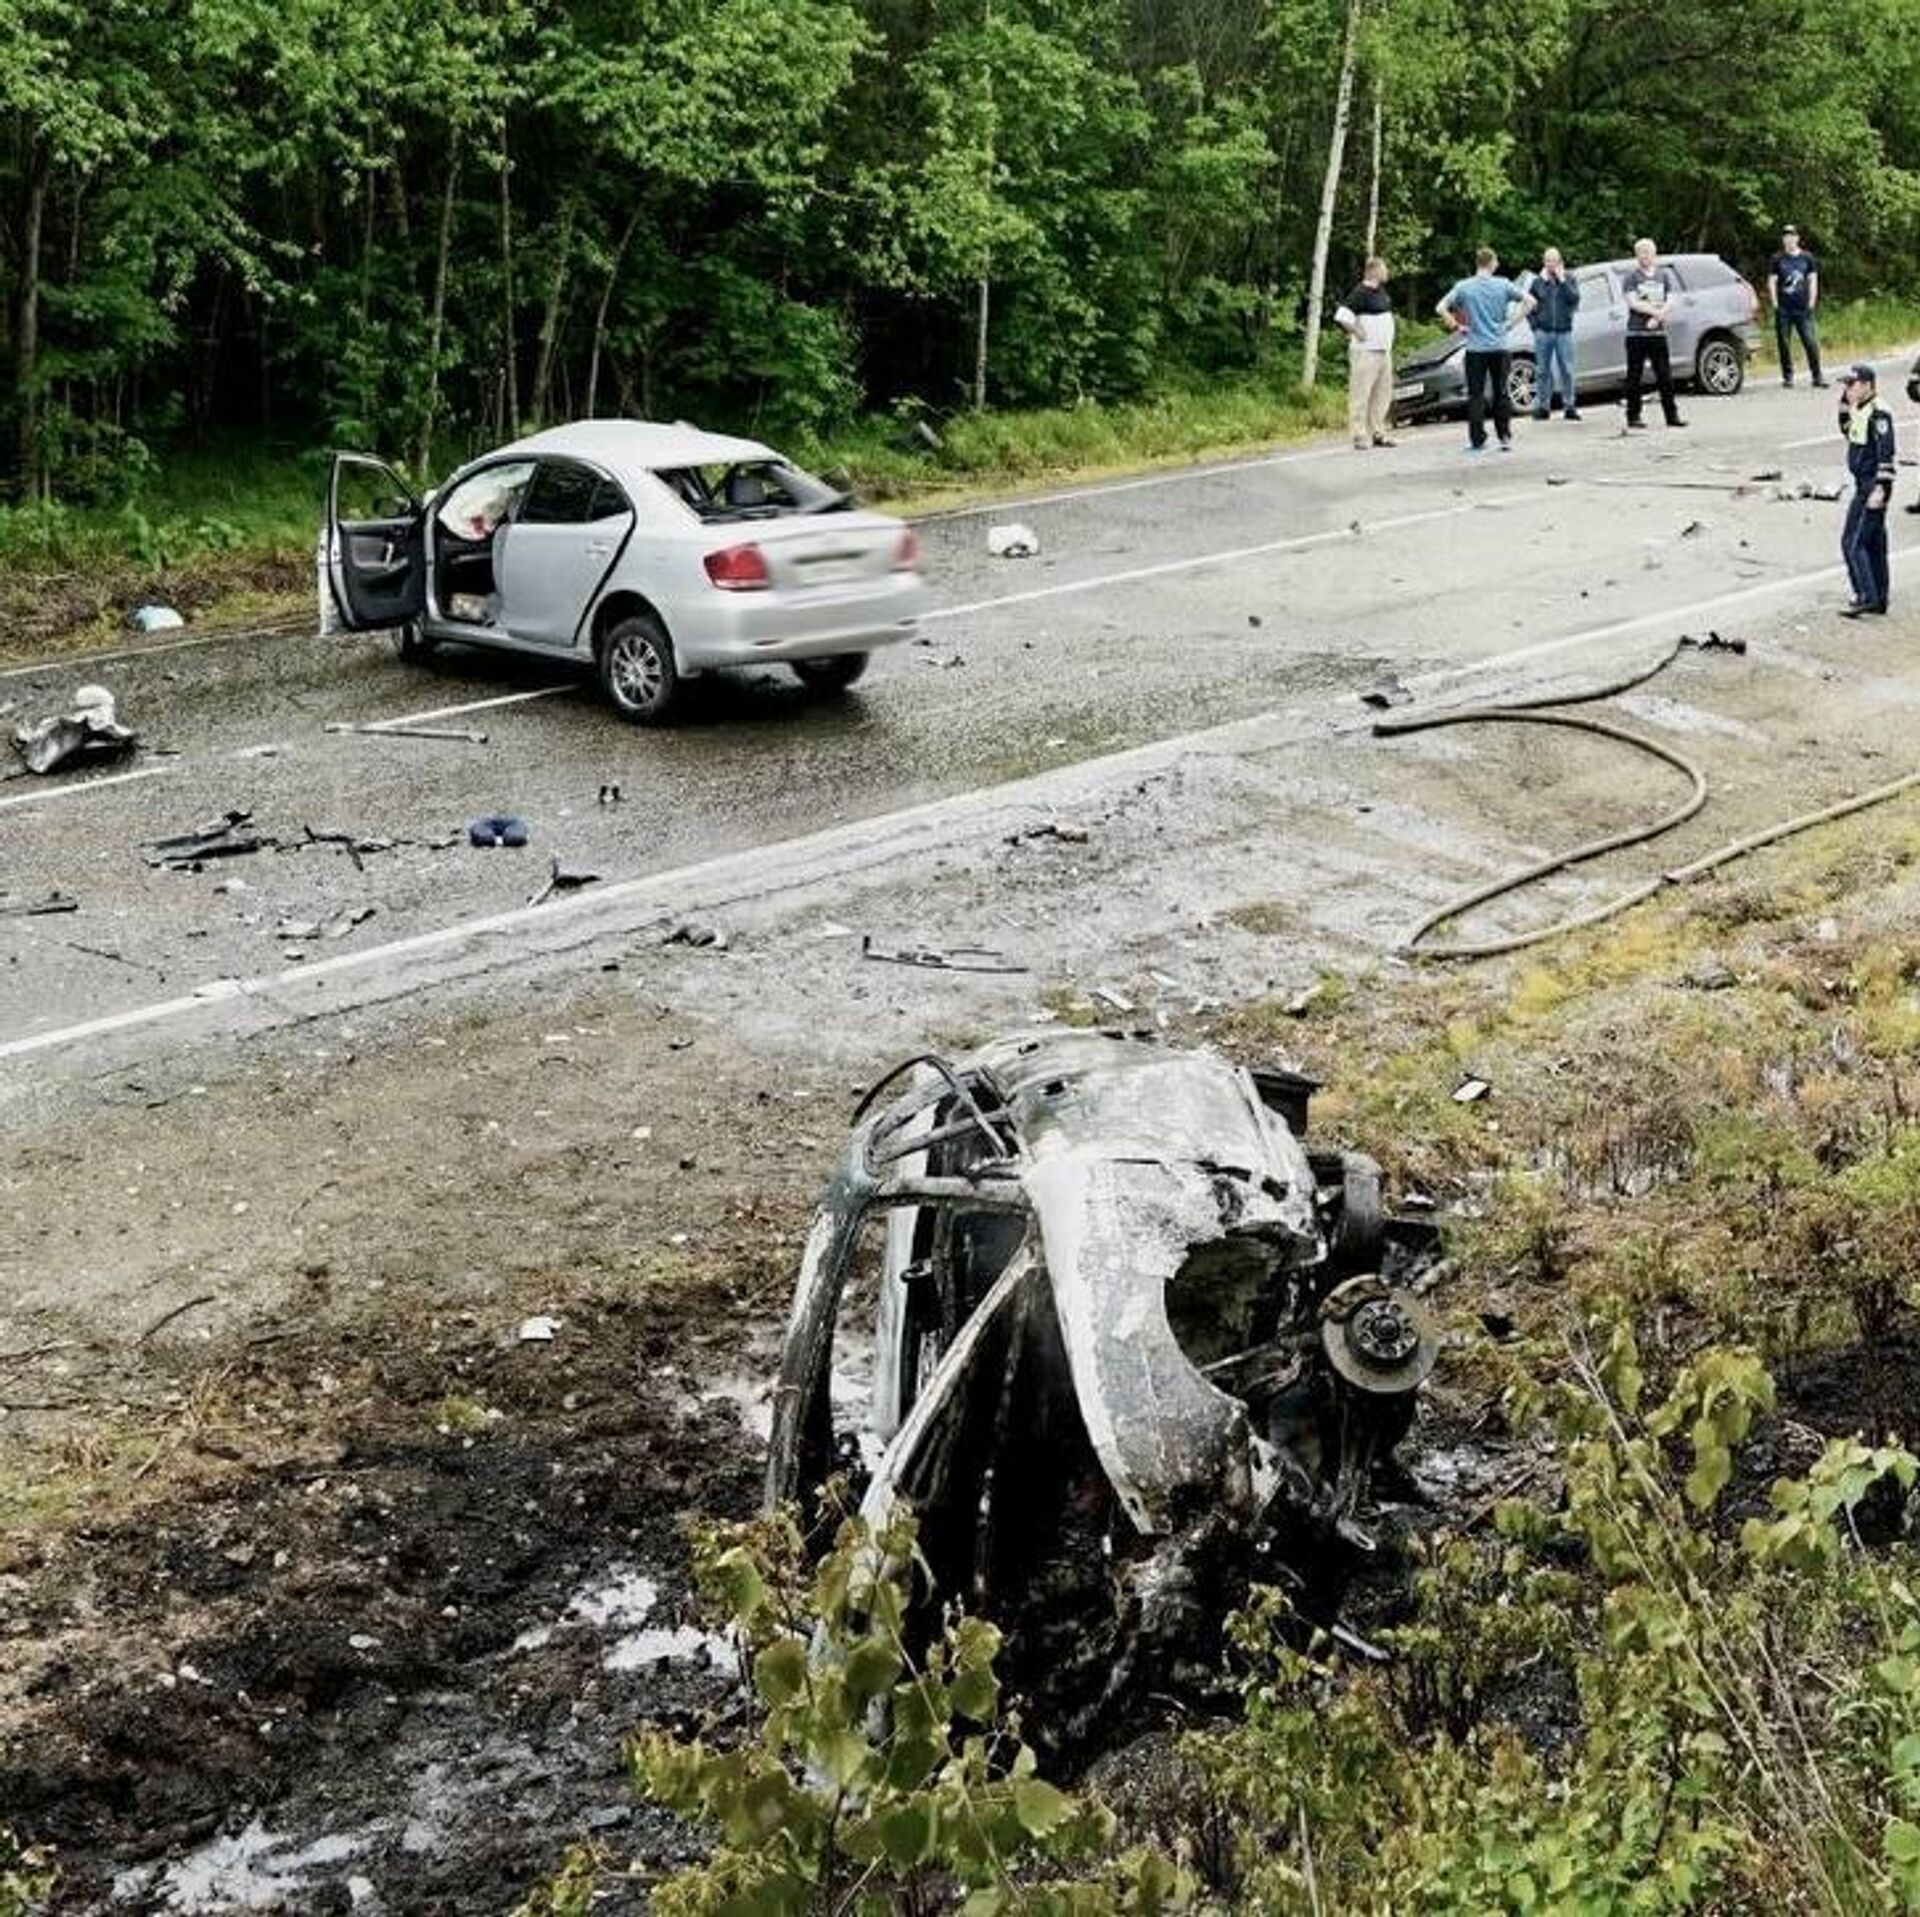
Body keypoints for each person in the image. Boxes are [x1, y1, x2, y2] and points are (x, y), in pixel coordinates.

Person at [1436, 248, 1535, 454]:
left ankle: (1477, 439)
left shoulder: (1464, 287)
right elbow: (1531, 301)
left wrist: (1457, 326)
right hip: (1499, 347)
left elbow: (1440, 307)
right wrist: (1510, 324)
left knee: (1476, 396)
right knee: (1501, 393)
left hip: (1475, 348)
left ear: (1477, 263)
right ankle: (1504, 436)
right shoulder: (1503, 284)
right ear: (1492, 263)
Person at [1837, 362, 1894, 616]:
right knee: (1873, 543)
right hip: (1864, 483)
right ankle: (1879, 597)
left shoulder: (1879, 412)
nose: (1848, 389)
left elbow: (1885, 452)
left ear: (1868, 386)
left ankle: (1866, 595)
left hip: (1873, 485)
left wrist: (1880, 488)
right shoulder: (1860, 409)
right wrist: (1843, 405)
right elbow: (1850, 432)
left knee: (1854, 541)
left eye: (1853, 385)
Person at [1622, 238, 1686, 430]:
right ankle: (1633, 416)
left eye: (1648, 252)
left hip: (1657, 333)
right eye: (1641, 252)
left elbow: (1672, 300)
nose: (1645, 256)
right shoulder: (1631, 277)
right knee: (1634, 376)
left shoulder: (1663, 275)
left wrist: (1658, 318)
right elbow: (1633, 302)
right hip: (1636, 334)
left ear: (1654, 254)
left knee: (1665, 375)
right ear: (1637, 255)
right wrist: (1654, 312)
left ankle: (1672, 415)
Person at [1334, 257, 1397, 450]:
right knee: (1361, 394)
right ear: (1374, 271)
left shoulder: (1381, 292)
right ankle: (1359, 435)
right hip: (1366, 352)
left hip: (1383, 351)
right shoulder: (1360, 292)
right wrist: (1357, 331)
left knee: (1382, 394)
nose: (1387, 272)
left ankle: (1378, 432)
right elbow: (1342, 315)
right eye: (1384, 269)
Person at [1768, 225, 1825, 388]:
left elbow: (1813, 280)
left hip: (1803, 308)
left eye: (1792, 235)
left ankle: (1817, 376)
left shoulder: (1807, 258)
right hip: (1784, 309)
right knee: (1784, 344)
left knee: (1810, 342)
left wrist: (1812, 302)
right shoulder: (1777, 259)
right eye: (1785, 236)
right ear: (1783, 239)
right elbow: (1772, 282)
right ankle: (1788, 376)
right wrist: (1775, 304)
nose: (1789, 239)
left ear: (1797, 238)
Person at [1529, 247, 1581, 421]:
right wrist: (1535, 327)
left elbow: (1574, 299)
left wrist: (1562, 280)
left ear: (1560, 262)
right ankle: (1543, 407)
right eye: (1548, 260)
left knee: (1567, 369)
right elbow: (1529, 306)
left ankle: (1570, 406)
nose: (1551, 264)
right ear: (1544, 262)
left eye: (1554, 260)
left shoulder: (1569, 279)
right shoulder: (1537, 282)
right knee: (1542, 370)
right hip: (1543, 332)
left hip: (1563, 331)